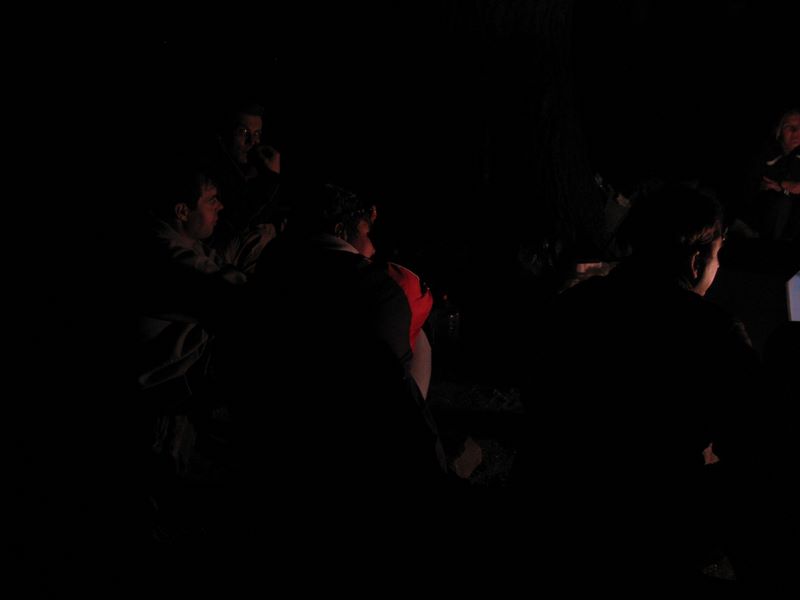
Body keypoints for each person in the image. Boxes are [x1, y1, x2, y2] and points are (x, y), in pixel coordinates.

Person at [516, 183, 767, 589]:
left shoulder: (574, 304)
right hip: (652, 521)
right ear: (696, 260)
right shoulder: (712, 330)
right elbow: (753, 438)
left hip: (555, 502)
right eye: (718, 255)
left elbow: (537, 394)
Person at [202, 102, 285, 272]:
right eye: (243, 132)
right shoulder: (210, 172)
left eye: (257, 134)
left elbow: (269, 214)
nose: (252, 142)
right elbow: (237, 221)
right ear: (224, 133)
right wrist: (271, 179)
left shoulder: (252, 168)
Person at [749, 108, 800, 241]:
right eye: (789, 127)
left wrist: (783, 186)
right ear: (779, 132)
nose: (796, 132)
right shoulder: (766, 159)